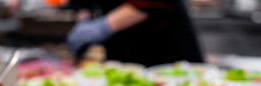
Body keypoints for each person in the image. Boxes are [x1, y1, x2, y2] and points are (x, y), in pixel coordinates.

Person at [66, 0, 203, 66]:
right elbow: (82, 3)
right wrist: (84, 16)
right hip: (123, 46)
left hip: (164, 42)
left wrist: (104, 25)